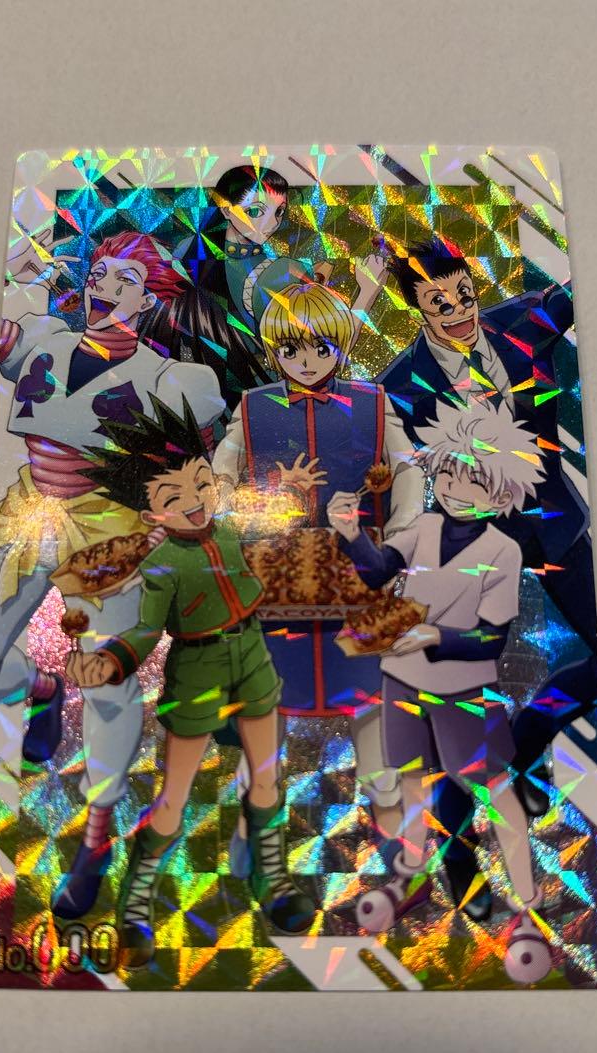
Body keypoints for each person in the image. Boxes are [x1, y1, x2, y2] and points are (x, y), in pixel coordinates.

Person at [0, 230, 226, 920]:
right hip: (29, 514)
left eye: (125, 280)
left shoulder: (171, 379)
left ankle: (96, 838)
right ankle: (40, 687)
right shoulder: (42, 339)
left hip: (109, 530)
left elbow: (198, 464)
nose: (105, 286)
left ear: (148, 301)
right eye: (100, 272)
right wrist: (10, 273)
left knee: (110, 689)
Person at [65, 396, 315, 967]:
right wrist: (111, 662)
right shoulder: (161, 565)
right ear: (150, 512)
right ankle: (135, 902)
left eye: (201, 483)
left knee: (267, 781)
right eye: (172, 497)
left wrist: (294, 495)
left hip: (252, 657)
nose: (196, 502)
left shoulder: (228, 529)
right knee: (173, 797)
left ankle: (272, 881)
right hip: (197, 667)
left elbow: (273, 525)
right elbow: (145, 631)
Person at [328, 398, 554, 983]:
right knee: (409, 778)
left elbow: (491, 641)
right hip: (401, 678)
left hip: (464, 692)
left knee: (493, 789)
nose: (456, 488)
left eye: (475, 482)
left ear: (503, 495)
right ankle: (410, 872)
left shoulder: (503, 551)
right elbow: (378, 571)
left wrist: (433, 634)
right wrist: (351, 534)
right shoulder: (424, 527)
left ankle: (527, 902)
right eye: (450, 473)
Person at [380, 238, 597, 823]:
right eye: (439, 303)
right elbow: (378, 456)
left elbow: (589, 284)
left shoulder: (524, 321)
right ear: (418, 308)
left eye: (464, 295)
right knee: (469, 675)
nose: (458, 310)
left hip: (554, 523)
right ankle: (460, 798)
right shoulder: (402, 384)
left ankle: (526, 747)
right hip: (476, 544)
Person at [212, 281, 423, 855]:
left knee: (369, 697)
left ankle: (388, 810)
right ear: (273, 350)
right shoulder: (253, 406)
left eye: (319, 348)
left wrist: (401, 537)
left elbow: (407, 468)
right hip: (274, 576)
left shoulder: (373, 402)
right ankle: (254, 817)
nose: (305, 361)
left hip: (357, 572)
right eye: (291, 350)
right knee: (265, 701)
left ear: (341, 345)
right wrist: (245, 505)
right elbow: (223, 473)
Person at [150, 164, 387, 408]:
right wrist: (368, 292)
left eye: (279, 212)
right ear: (226, 209)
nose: (271, 223)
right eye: (255, 211)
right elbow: (327, 355)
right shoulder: (281, 272)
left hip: (195, 395)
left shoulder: (187, 250)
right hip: (270, 400)